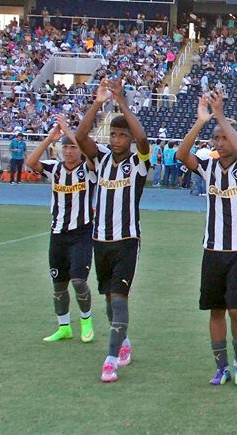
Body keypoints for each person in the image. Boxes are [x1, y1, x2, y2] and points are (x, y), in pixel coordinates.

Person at [176, 91, 237, 387]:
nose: (221, 143)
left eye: (225, 138)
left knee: (236, 309)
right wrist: (202, 121)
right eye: (217, 138)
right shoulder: (208, 167)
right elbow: (181, 156)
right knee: (215, 310)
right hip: (212, 249)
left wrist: (221, 116)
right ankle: (221, 366)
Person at [75, 78, 151, 383]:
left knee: (119, 297)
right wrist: (98, 103)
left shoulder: (139, 163)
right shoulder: (102, 159)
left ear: (130, 138)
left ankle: (110, 360)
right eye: (114, 133)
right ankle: (123, 343)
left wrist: (122, 103)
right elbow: (81, 137)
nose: (117, 139)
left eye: (123, 135)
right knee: (108, 297)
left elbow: (144, 140)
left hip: (126, 241)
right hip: (100, 240)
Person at [25, 114, 97, 345]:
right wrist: (50, 138)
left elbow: (88, 153)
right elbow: (30, 162)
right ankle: (64, 326)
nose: (68, 152)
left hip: (82, 234)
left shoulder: (88, 170)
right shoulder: (54, 169)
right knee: (59, 286)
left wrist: (68, 130)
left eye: (72, 148)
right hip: (58, 235)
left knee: (78, 281)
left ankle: (86, 322)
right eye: (65, 148)